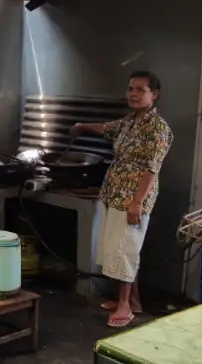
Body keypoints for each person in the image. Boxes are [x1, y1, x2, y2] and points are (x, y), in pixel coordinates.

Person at [71, 70, 173, 328]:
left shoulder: (158, 129)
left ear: (155, 95)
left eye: (141, 89)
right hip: (114, 194)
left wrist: (136, 203)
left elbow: (152, 168)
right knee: (121, 249)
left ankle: (125, 307)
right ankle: (131, 301)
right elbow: (107, 128)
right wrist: (82, 127)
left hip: (133, 198)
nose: (133, 94)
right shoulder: (130, 122)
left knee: (126, 250)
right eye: (130, 89)